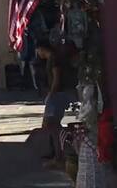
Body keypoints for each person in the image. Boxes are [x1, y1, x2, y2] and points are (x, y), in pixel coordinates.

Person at [36, 40, 78, 169]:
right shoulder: (54, 58)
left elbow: (56, 77)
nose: (37, 54)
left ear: (41, 49)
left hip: (60, 94)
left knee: (53, 125)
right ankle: (60, 154)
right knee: (56, 125)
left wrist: (51, 95)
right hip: (63, 93)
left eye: (37, 50)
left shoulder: (53, 59)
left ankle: (60, 156)